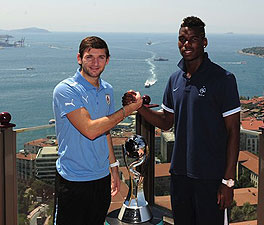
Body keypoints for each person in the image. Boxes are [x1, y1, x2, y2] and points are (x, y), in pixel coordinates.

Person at [123, 16, 240, 225]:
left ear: (204, 42)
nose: (187, 44)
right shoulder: (174, 79)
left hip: (211, 178)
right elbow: (166, 121)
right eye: (182, 39)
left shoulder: (223, 79)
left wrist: (228, 182)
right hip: (180, 176)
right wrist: (139, 106)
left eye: (193, 39)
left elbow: (233, 132)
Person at [52, 36, 142, 225]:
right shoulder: (66, 90)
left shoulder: (107, 89)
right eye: (89, 57)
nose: (95, 63)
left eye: (101, 57)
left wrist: (114, 167)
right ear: (79, 58)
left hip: (101, 178)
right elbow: (91, 130)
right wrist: (127, 110)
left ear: (107, 60)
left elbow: (105, 130)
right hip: (73, 179)